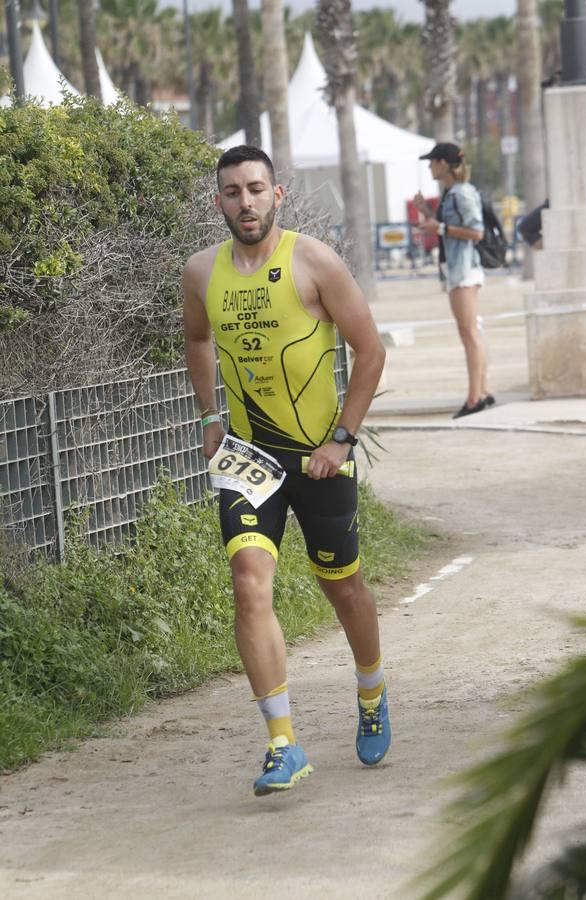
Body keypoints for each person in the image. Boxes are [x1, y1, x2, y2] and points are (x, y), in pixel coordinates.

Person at [182, 145, 390, 797]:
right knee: (248, 580)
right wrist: (209, 417)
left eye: (254, 189)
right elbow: (196, 338)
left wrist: (344, 440)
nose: (244, 202)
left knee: (343, 586)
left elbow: (370, 349)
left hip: (319, 460)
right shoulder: (199, 273)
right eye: (231, 192)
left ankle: (372, 689)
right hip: (248, 456)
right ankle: (282, 744)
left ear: (277, 195)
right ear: (217, 201)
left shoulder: (313, 262)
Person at [414, 142, 494, 419]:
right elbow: (451, 228)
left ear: (444, 164)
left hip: (465, 272)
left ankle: (475, 397)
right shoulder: (453, 193)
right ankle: (481, 391)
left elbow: (476, 233)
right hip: (458, 270)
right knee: (470, 332)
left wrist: (441, 227)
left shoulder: (461, 193)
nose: (429, 167)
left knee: (469, 333)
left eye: (433, 161)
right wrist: (428, 212)